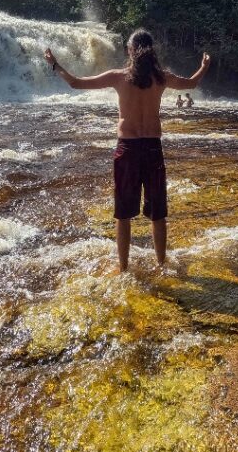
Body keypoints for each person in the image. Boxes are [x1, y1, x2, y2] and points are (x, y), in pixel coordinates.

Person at [44, 30, 210, 272]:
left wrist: (55, 64)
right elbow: (192, 83)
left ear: (130, 51)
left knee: (123, 213)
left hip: (128, 149)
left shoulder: (118, 77)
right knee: (157, 213)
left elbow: (75, 83)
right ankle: (161, 265)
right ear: (152, 50)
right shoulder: (162, 78)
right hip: (153, 148)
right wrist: (204, 65)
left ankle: (123, 269)